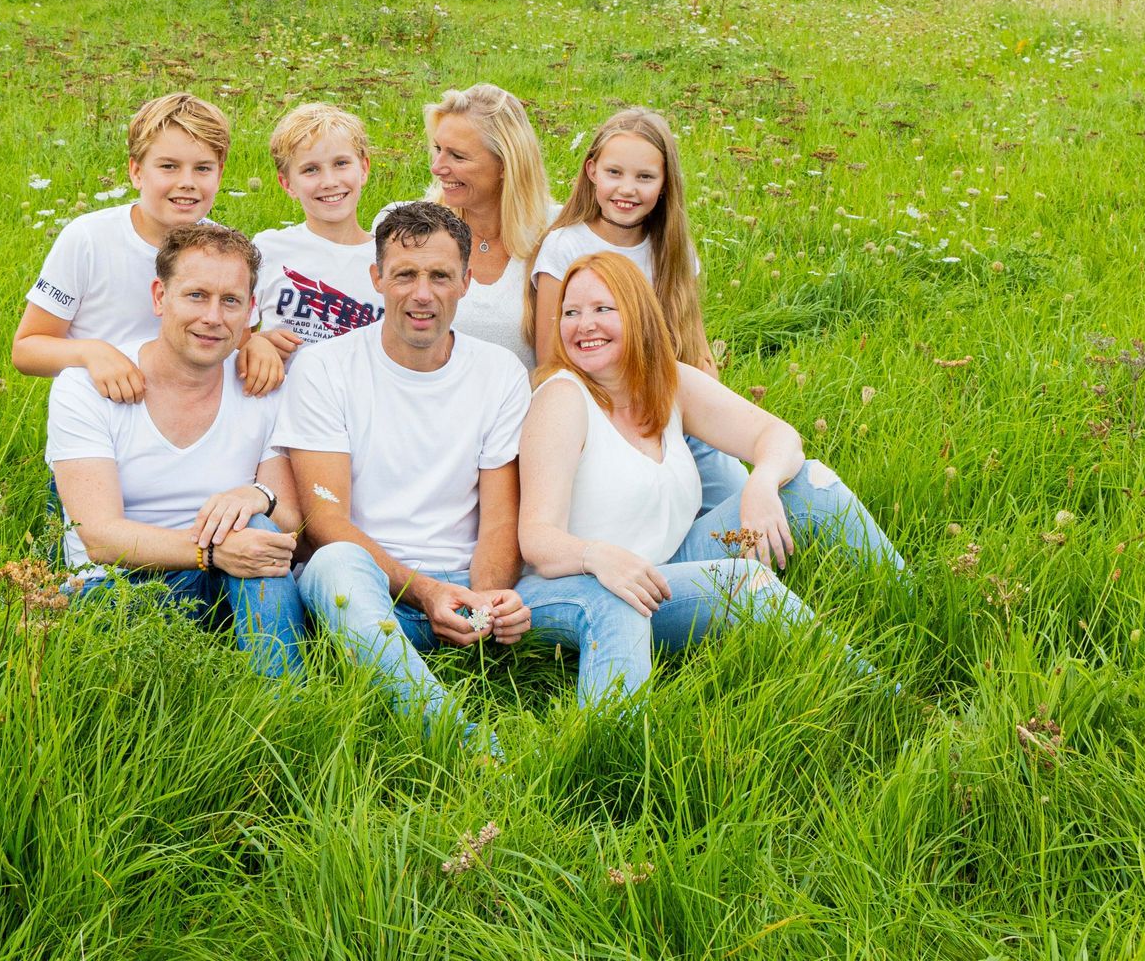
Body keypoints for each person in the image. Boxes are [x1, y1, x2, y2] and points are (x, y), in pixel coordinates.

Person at [275, 202, 642, 736]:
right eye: (405, 275)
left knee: (614, 595)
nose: (422, 294)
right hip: (378, 594)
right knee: (333, 565)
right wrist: (427, 594)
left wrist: (487, 599)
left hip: (470, 589)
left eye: (441, 276)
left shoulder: (498, 373)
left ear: (466, 282)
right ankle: (465, 742)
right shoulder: (325, 368)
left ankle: (607, 751)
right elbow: (328, 522)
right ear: (377, 278)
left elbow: (499, 519)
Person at [517, 254, 902, 694]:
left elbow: (777, 435)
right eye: (571, 312)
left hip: (669, 561)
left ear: (638, 313)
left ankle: (907, 607)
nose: (584, 324)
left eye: (603, 309)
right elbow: (537, 539)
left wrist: (761, 481)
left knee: (809, 484)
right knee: (746, 583)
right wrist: (597, 555)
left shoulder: (667, 382)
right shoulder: (563, 399)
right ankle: (876, 696)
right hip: (580, 585)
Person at [47, 224, 306, 678]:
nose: (213, 317)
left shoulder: (262, 388)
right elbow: (101, 536)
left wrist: (256, 497)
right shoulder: (86, 386)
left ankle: (285, 699)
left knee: (261, 530)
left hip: (229, 583)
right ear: (159, 297)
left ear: (250, 312)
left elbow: (288, 519)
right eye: (196, 296)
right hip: (118, 587)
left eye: (231, 301)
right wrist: (212, 551)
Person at [526, 107, 739, 512]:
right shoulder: (566, 246)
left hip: (670, 404)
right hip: (600, 414)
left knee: (738, 495)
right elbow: (550, 359)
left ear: (664, 186)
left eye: (644, 177)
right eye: (614, 173)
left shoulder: (672, 251)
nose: (627, 189)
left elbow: (695, 349)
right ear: (592, 171)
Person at [12, 92, 289, 401]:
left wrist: (257, 346)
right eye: (169, 166)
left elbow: (238, 340)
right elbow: (27, 349)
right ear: (136, 172)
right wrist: (92, 353)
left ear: (220, 174)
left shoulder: (227, 249)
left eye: (203, 168)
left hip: (192, 410)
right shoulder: (88, 239)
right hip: (107, 410)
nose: (187, 182)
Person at [377, 84, 555, 368]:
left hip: (523, 409)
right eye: (437, 149)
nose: (437, 167)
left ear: (505, 164)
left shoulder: (556, 234)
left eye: (457, 156)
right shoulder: (404, 228)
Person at [251, 102, 384, 348]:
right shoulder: (267, 249)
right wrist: (256, 343)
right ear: (287, 183)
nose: (330, 181)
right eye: (311, 170)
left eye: (341, 164)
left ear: (364, 168)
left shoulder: (390, 258)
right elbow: (235, 338)